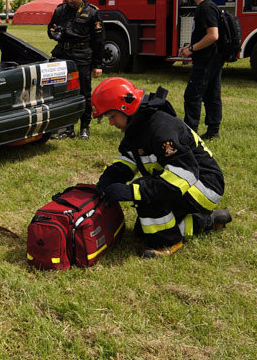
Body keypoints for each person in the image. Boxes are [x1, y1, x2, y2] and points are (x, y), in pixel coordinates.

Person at [91, 77, 231, 258]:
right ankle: (205, 221)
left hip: (204, 185)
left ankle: (168, 244)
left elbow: (184, 175)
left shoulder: (161, 130)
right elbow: (132, 157)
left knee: (147, 196)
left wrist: (132, 191)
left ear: (125, 108)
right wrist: (112, 176)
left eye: (111, 116)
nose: (110, 123)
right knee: (144, 230)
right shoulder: (138, 126)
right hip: (189, 181)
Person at [48, 0, 104, 139]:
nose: (69, 0)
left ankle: (84, 127)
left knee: (84, 93)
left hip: (82, 55)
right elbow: (49, 29)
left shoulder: (91, 12)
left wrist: (97, 65)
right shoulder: (60, 10)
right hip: (62, 53)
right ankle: (67, 128)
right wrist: (53, 33)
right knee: (62, 92)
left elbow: (99, 41)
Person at [178, 0, 223, 140]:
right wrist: (189, 47)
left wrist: (192, 49)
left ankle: (190, 133)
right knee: (212, 95)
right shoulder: (206, 7)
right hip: (212, 59)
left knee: (192, 95)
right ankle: (213, 131)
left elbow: (213, 35)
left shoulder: (206, 8)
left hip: (206, 60)